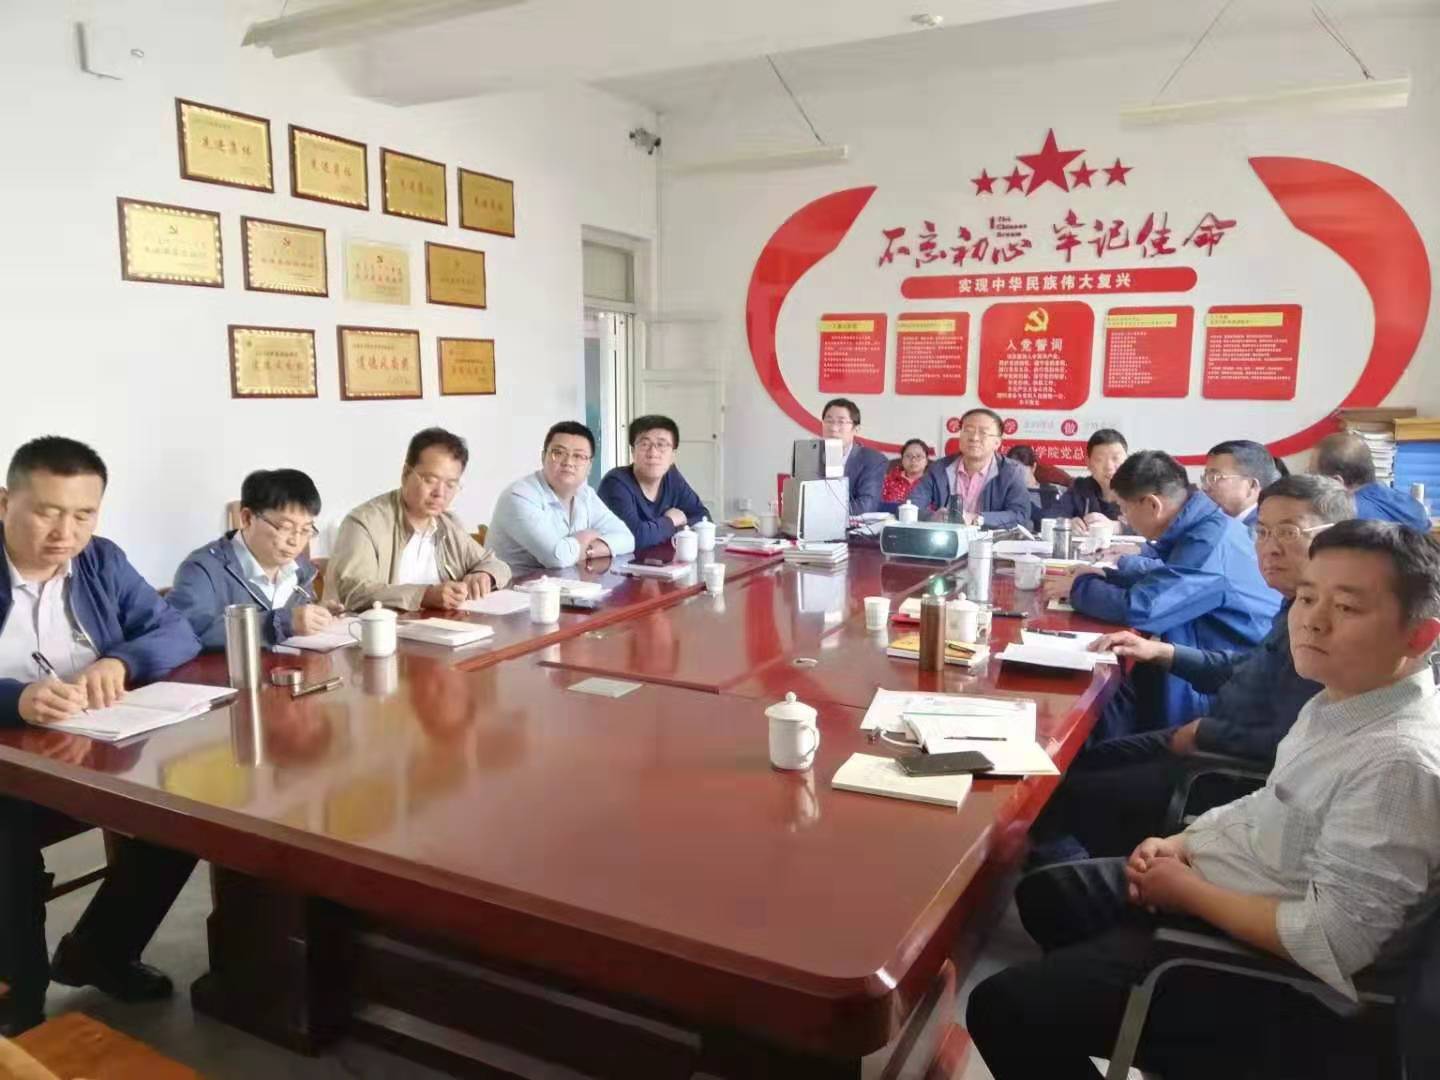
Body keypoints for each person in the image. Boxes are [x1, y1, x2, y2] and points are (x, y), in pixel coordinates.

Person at [967, 520, 1440, 1079]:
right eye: (1307, 597)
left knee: (1005, 1006)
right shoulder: (1342, 700)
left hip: (1280, 980)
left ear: (1419, 637)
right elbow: (1270, 799)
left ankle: (1129, 994)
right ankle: (1104, 989)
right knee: (1051, 893)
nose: (1313, 619)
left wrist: (1188, 892)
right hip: (1234, 881)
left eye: (1347, 607)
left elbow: (1334, 940)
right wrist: (1183, 842)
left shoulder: (1399, 761)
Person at [1029, 475, 1353, 864]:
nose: (1270, 547)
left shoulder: (1325, 624)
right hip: (1216, 731)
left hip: (1230, 771)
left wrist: (1204, 733)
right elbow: (1248, 667)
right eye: (1263, 532)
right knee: (1083, 760)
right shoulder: (1295, 602)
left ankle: (1081, 878)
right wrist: (1161, 651)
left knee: (1066, 788)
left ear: (1334, 538)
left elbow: (1291, 739)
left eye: (1288, 532)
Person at [0, 437, 201, 1035]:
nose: (65, 533)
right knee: (6, 847)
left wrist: (122, 661)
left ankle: (100, 952)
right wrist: (15, 699)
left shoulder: (100, 561)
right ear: (5, 503)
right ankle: (21, 1010)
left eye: (83, 515)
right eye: (47, 512)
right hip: (10, 764)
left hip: (86, 745)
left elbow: (176, 631)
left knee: (188, 812)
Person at [1047, 451, 1278, 733]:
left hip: (1225, 685)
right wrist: (1106, 575)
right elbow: (1169, 576)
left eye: (1124, 508)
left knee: (1102, 690)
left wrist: (1079, 587)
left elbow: (1143, 608)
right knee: (1113, 683)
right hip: (1205, 657)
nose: (1124, 517)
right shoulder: (1206, 526)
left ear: (1152, 505)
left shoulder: (1210, 543)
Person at [328, 428, 511, 611]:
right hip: (383, 627)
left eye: (451, 485)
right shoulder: (364, 523)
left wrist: (484, 574)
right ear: (405, 474)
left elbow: (496, 565)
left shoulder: (447, 523)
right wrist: (424, 596)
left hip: (444, 626)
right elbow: (355, 592)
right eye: (430, 480)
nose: (440, 493)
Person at [168, 469, 333, 649]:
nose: (295, 541)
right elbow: (186, 635)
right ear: (247, 518)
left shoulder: (300, 568)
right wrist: (282, 623)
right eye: (285, 527)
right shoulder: (202, 570)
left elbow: (297, 624)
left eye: (306, 530)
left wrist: (319, 615)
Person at [487, 421, 635, 576]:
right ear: (543, 456)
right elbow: (556, 558)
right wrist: (585, 538)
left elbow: (627, 539)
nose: (568, 462)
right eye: (558, 453)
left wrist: (589, 549)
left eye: (578, 456)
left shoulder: (585, 494)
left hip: (569, 584)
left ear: (589, 465)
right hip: (516, 588)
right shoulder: (519, 496)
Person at [906, 408, 1032, 527]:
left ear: (997, 442)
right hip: (947, 537)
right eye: (968, 430)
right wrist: (933, 517)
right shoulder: (939, 468)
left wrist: (977, 519)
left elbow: (1020, 514)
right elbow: (912, 506)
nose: (974, 438)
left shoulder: (1012, 472)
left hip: (991, 539)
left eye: (983, 433)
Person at [597, 415, 708, 550]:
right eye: (644, 444)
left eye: (661, 445)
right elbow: (633, 538)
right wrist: (671, 521)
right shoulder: (615, 483)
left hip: (662, 560)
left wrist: (659, 530)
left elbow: (703, 518)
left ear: (673, 455)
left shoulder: (671, 476)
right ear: (633, 451)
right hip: (621, 563)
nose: (653, 453)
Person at [1311, 430, 1429, 529]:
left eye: (1312, 474)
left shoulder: (1346, 520)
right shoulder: (1414, 506)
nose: (1309, 480)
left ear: (1336, 482)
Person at [1045, 428, 1128, 533]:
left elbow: (1149, 524)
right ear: (1088, 463)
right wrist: (1068, 523)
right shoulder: (1080, 488)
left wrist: (1118, 527)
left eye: (1115, 458)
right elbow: (1051, 517)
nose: (1109, 467)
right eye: (1100, 460)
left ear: (1127, 461)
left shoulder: (1139, 490)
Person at [820, 398, 888, 515]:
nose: (833, 428)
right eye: (829, 421)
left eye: (841, 422)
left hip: (851, 525)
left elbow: (866, 506)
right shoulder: (810, 455)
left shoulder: (872, 460)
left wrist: (821, 512)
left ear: (856, 429)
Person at [1200, 439, 1280, 536]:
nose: (1204, 487)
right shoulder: (1211, 524)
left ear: (1252, 485)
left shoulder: (1263, 533)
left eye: (1214, 478)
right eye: (1205, 478)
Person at [879, 438, 932, 512]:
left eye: (919, 456)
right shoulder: (888, 481)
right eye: (908, 456)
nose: (913, 460)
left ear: (926, 461)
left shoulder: (933, 484)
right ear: (902, 460)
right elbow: (878, 506)